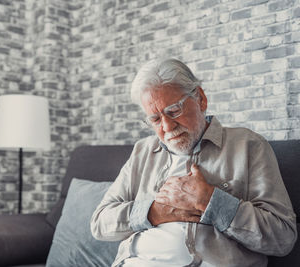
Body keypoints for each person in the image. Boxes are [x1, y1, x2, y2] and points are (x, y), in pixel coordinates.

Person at [90, 58, 297, 267]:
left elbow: (283, 238)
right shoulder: (143, 151)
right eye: (155, 119)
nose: (167, 126)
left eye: (173, 111)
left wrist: (211, 201)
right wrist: (154, 212)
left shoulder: (248, 146)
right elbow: (100, 222)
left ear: (200, 99)